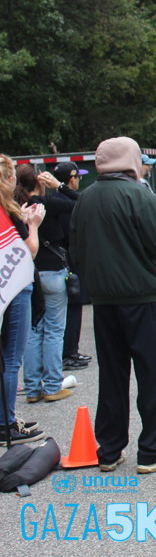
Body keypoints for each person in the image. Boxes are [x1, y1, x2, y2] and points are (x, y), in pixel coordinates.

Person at [70, 136, 156, 474]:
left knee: (111, 375)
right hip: (139, 298)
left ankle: (109, 450)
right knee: (149, 375)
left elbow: (75, 251)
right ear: (132, 161)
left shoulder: (86, 198)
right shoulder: (139, 195)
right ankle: (152, 450)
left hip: (103, 301)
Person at [16, 166, 80, 402]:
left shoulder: (17, 207)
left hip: (29, 272)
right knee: (54, 329)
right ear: (40, 182)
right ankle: (53, 385)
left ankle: (32, 388)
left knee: (34, 330)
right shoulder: (48, 204)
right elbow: (81, 203)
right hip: (53, 270)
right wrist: (59, 186)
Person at [0, 154, 46, 444]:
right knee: (11, 359)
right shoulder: (7, 211)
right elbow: (28, 251)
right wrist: (34, 225)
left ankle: (7, 418)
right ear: (8, 179)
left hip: (7, 289)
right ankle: (6, 423)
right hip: (15, 289)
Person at [51, 162, 93, 369]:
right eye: (78, 177)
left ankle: (70, 350)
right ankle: (69, 352)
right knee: (73, 307)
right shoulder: (65, 203)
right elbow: (71, 234)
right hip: (70, 261)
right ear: (71, 179)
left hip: (64, 260)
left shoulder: (55, 199)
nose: (79, 181)